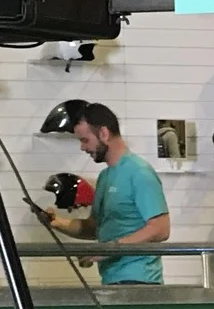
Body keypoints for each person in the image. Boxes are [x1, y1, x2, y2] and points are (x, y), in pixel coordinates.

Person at [44, 104, 169, 284]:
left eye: (85, 140)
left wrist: (110, 249)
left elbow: (161, 229)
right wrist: (57, 222)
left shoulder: (139, 172)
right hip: (112, 280)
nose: (82, 148)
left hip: (139, 281)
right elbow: (95, 227)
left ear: (103, 133)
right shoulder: (105, 177)